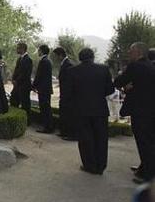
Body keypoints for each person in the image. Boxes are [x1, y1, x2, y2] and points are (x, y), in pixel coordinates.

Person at [65, 48, 114, 175]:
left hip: (81, 110)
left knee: (85, 139)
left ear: (80, 58)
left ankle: (90, 165)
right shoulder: (104, 69)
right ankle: (101, 166)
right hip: (100, 109)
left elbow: (67, 93)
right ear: (93, 57)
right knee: (101, 138)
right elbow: (110, 90)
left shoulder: (72, 71)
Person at [114, 42, 155, 184]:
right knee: (149, 141)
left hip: (140, 110)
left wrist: (125, 85)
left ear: (138, 52)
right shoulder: (150, 66)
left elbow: (118, 82)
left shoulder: (135, 66)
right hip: (150, 110)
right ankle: (144, 168)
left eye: (131, 51)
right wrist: (130, 87)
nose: (129, 54)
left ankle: (148, 176)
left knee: (144, 143)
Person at [52, 47, 76, 141]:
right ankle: (64, 131)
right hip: (64, 93)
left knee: (68, 114)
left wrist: (67, 93)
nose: (56, 58)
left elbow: (69, 81)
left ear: (61, 55)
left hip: (68, 95)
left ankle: (69, 133)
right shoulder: (64, 64)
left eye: (56, 56)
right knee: (63, 113)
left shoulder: (68, 64)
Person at [32, 44, 54, 133]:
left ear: (42, 51)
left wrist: (33, 85)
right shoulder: (47, 61)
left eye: (39, 50)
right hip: (46, 89)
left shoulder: (44, 61)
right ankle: (48, 126)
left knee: (45, 108)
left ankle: (47, 127)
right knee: (46, 108)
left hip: (44, 89)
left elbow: (39, 75)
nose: (38, 52)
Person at [10, 42, 33, 123]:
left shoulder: (28, 60)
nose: (17, 49)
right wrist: (13, 79)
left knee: (25, 104)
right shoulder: (19, 59)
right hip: (17, 85)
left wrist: (17, 80)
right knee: (13, 100)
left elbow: (25, 73)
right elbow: (16, 70)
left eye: (18, 48)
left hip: (24, 85)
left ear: (23, 49)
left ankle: (27, 121)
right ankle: (14, 118)